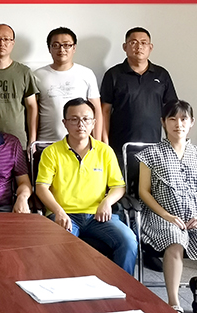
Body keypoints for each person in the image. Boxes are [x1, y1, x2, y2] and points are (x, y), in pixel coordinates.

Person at [137, 100, 197, 313]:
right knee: (175, 240)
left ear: (191, 122)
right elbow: (144, 192)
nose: (178, 124)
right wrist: (167, 216)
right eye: (172, 119)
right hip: (162, 216)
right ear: (163, 122)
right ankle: (173, 303)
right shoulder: (151, 154)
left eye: (183, 119)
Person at [35, 97, 137, 275]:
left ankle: (120, 286)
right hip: (65, 215)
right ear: (65, 123)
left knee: (129, 241)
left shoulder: (105, 151)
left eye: (86, 119)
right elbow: (41, 187)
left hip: (98, 216)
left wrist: (107, 202)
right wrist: (58, 211)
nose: (80, 124)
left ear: (94, 123)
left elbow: (118, 186)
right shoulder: (51, 152)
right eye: (74, 119)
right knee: (59, 247)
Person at [101, 27, 177, 162]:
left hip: (154, 147)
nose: (139, 47)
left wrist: (172, 143)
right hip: (119, 148)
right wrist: (104, 144)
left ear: (150, 47)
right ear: (125, 47)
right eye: (133, 42)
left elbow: (171, 111)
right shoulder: (113, 74)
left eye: (143, 43)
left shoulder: (161, 75)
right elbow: (104, 111)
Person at [35, 27, 102, 142]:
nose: (61, 49)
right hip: (46, 142)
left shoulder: (86, 74)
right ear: (49, 48)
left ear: (74, 48)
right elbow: (33, 111)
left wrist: (97, 142)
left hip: (80, 144)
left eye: (66, 45)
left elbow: (96, 110)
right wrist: (32, 141)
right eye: (56, 45)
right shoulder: (38, 75)